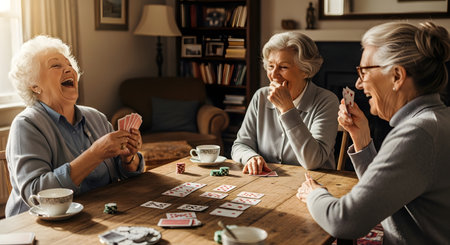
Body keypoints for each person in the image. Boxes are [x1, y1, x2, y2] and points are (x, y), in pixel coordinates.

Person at [297, 21, 450, 244]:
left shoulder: (417, 133)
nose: (359, 84)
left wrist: (314, 194)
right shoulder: (435, 121)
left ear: (397, 76)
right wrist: (361, 140)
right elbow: (388, 193)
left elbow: (344, 221)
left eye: (364, 71)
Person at [5, 35, 144, 217]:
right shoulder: (26, 125)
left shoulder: (96, 117)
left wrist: (128, 159)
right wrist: (94, 154)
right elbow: (35, 193)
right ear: (34, 85)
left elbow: (122, 173)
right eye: (56, 65)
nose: (69, 69)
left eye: (70, 65)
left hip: (95, 216)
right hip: (39, 226)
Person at [231, 31, 339, 175]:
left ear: (306, 71)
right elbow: (240, 145)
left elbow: (313, 161)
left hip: (315, 185)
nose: (274, 75)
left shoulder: (326, 101)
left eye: (283, 67)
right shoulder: (261, 97)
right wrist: (250, 157)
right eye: (270, 66)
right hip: (268, 185)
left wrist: (287, 109)